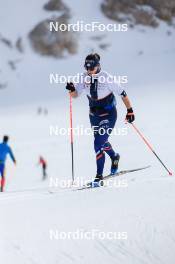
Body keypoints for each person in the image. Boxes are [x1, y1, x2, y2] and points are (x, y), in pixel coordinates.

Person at [66, 53, 135, 186]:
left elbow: (123, 93)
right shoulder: (83, 77)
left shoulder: (106, 77)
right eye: (87, 68)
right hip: (94, 116)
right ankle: (114, 156)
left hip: (109, 114)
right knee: (102, 142)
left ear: (98, 66)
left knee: (97, 143)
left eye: (91, 68)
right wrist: (71, 89)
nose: (89, 71)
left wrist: (130, 110)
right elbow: (75, 95)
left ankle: (99, 177)